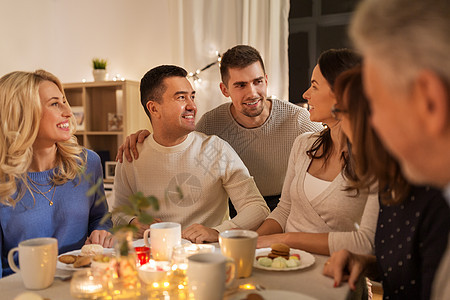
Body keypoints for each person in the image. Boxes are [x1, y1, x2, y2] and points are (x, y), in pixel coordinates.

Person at [116, 45, 323, 213]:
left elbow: (332, 145)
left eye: (258, 82)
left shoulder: (298, 120)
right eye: (241, 85)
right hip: (238, 208)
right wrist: (144, 138)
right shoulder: (211, 125)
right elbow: (179, 140)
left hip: (285, 205)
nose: (252, 93)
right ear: (224, 90)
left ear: (266, 81)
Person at [334, 0, 450, 299]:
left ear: (430, 101)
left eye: (376, 103)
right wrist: (366, 263)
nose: (374, 124)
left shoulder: (437, 206)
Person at [111, 65, 269, 244]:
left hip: (207, 256)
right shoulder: (132, 155)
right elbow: (117, 213)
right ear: (154, 109)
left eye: (192, 96)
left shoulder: (215, 149)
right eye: (181, 97)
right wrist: (132, 222)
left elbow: (257, 208)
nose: (192, 106)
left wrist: (218, 231)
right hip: (154, 257)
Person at [256, 49, 379, 256]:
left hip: (336, 274)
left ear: (342, 95)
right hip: (283, 261)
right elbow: (285, 209)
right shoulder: (304, 144)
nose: (305, 95)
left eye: (314, 86)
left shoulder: (375, 161)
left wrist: (284, 239)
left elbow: (365, 243)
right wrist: (252, 241)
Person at [0, 70, 113, 278]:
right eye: (54, 104)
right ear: (22, 113)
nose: (68, 112)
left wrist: (102, 233)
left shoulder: (88, 163)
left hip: (79, 284)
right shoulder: (3, 181)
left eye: (64, 101)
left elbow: (101, 218)